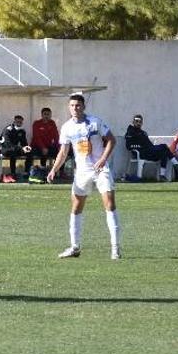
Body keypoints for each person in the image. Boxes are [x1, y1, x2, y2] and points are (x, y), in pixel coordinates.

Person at [48, 93, 121, 260]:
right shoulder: (67, 127)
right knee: (76, 207)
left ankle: (115, 248)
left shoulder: (95, 122)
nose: (75, 108)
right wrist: (54, 169)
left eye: (78, 105)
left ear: (83, 107)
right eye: (72, 105)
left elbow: (111, 140)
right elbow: (64, 151)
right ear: (69, 107)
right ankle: (75, 247)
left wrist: (103, 160)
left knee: (109, 204)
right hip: (82, 172)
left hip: (100, 170)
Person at [0, 114, 32, 183]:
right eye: (17, 122)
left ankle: (26, 172)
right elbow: (8, 144)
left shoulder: (21, 131)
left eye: (20, 122)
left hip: (15, 148)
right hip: (5, 149)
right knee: (13, 152)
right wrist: (21, 148)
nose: (19, 123)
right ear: (14, 122)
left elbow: (24, 143)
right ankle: (13, 173)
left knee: (30, 152)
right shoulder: (8, 130)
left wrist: (26, 147)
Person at [29, 107, 59, 182]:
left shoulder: (52, 123)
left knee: (59, 153)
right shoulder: (36, 123)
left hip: (48, 146)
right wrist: (42, 147)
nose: (46, 116)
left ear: (50, 115)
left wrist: (58, 147)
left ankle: (58, 172)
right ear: (41, 115)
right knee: (39, 153)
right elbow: (36, 137)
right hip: (37, 146)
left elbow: (56, 136)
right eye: (45, 114)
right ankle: (40, 172)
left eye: (48, 114)